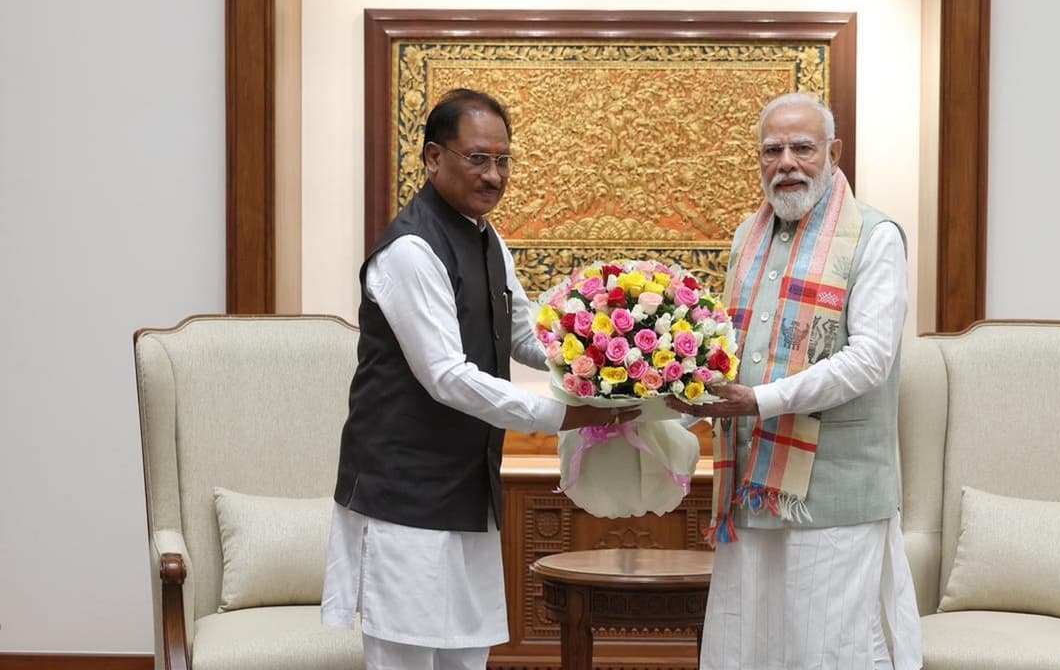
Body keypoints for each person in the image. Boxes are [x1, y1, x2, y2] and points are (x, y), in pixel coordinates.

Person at [321, 88, 636, 670]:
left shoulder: (488, 239)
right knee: (406, 659)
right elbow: (447, 377)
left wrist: (610, 363)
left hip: (467, 489)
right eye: (478, 158)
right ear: (434, 157)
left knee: (466, 655)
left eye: (503, 160)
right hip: (403, 495)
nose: (494, 176)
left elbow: (523, 337)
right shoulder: (411, 250)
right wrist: (562, 415)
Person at [670, 92, 923, 669]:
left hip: (835, 496)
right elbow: (727, 355)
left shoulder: (875, 237)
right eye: (772, 150)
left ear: (834, 153)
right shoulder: (745, 237)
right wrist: (671, 409)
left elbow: (869, 360)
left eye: (802, 147)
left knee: (828, 650)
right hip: (752, 491)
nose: (786, 162)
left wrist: (760, 401)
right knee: (748, 648)